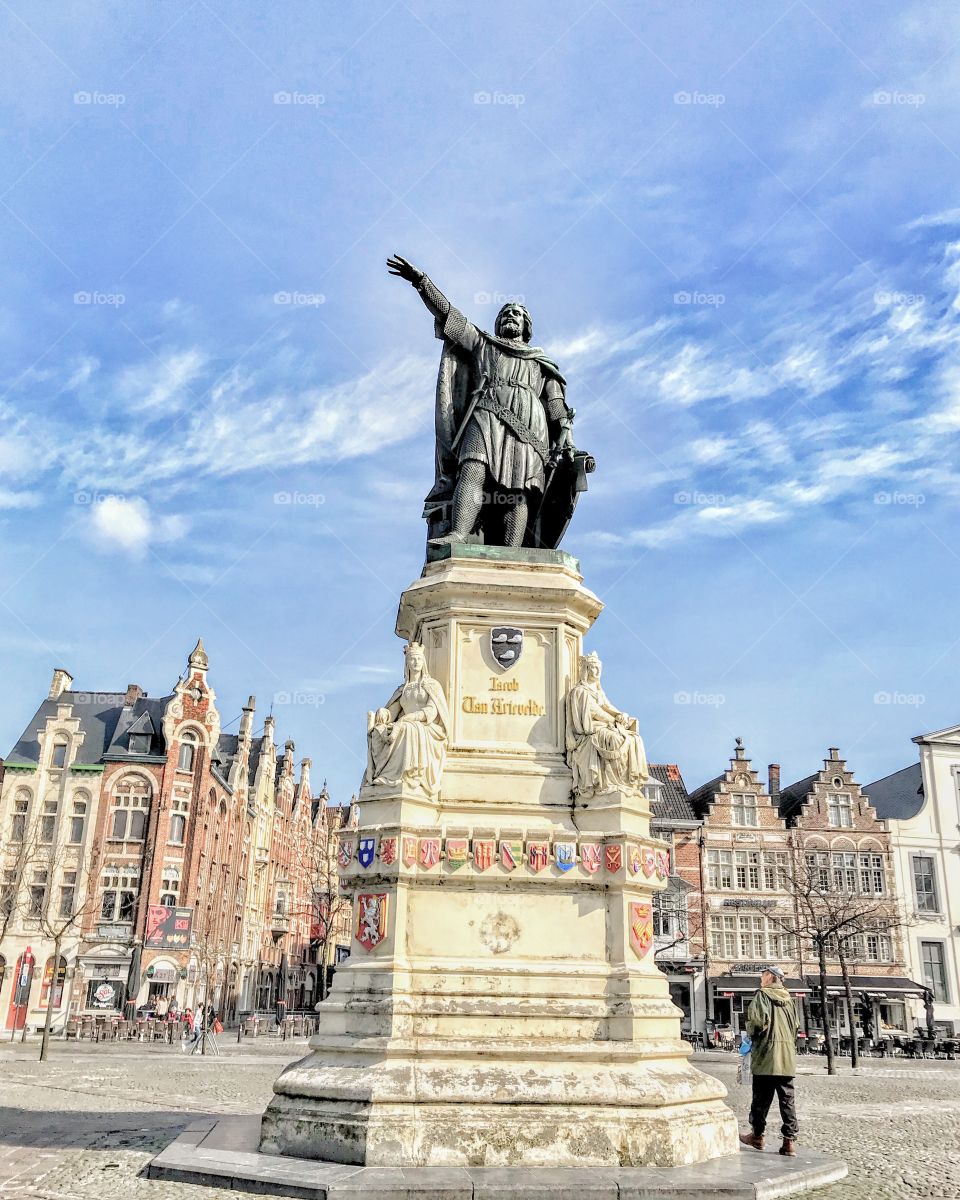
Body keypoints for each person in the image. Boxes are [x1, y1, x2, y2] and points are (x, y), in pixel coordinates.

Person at [739, 965, 800, 1157]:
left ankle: (757, 1136)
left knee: (761, 1099)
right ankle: (789, 1141)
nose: (760, 978)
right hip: (786, 1056)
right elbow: (795, 1026)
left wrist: (750, 1033)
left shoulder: (762, 995)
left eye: (763, 975)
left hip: (766, 1054)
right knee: (787, 1100)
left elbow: (757, 1022)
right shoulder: (789, 999)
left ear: (770, 977)